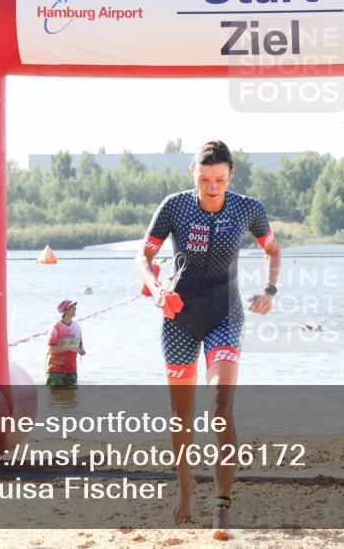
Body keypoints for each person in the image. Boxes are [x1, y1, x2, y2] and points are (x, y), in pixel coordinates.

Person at [134, 140, 281, 540]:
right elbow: (143, 257)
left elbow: (272, 249)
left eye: (219, 180)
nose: (211, 187)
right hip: (179, 316)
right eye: (204, 180)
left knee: (220, 405)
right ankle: (185, 483)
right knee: (182, 418)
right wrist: (157, 288)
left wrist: (269, 290)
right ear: (193, 176)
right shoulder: (175, 206)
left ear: (230, 175)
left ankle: (221, 507)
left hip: (225, 315)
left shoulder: (248, 208)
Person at [45, 299, 84, 387]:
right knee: (56, 398)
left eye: (75, 307)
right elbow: (51, 349)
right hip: (56, 369)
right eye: (72, 307)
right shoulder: (56, 326)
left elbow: (80, 345)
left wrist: (82, 351)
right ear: (66, 310)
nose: (75, 309)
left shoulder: (77, 326)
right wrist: (69, 348)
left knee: (70, 398)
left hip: (71, 369)